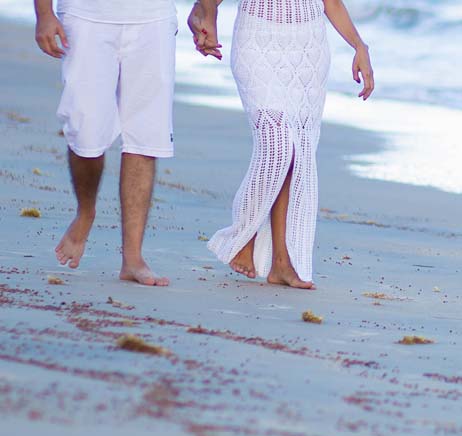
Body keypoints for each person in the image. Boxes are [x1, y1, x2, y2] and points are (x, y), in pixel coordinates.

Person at [189, 0, 374, 290]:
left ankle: (282, 263)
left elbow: (332, 3)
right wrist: (205, 11)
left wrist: (359, 46)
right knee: (278, 145)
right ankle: (242, 235)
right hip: (257, 37)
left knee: (295, 153)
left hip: (308, 47)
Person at [34, 0, 175, 286]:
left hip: (154, 17)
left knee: (145, 136)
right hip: (85, 15)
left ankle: (133, 258)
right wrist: (44, 14)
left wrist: (207, 10)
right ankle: (86, 211)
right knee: (85, 131)